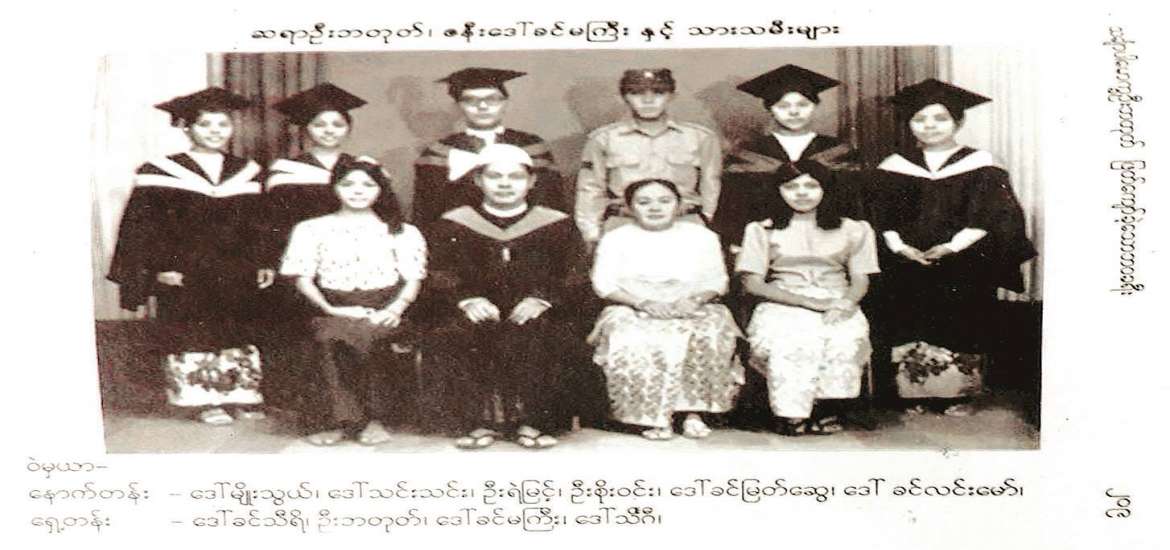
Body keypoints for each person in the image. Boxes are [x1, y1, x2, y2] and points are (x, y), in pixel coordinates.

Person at [872, 79, 1036, 416]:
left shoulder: (983, 164)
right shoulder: (893, 166)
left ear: (958, 122)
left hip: (966, 260)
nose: (929, 126)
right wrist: (901, 248)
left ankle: (959, 395)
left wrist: (951, 247)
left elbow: (995, 215)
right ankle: (913, 393)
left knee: (963, 319)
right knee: (910, 316)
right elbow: (880, 216)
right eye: (919, 119)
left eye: (940, 118)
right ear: (909, 124)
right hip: (907, 260)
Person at [107, 87, 269, 426]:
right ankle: (202, 400)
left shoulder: (248, 170)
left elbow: (259, 225)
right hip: (184, 270)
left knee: (236, 326)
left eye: (222, 124)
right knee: (193, 328)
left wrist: (264, 261)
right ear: (187, 127)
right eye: (205, 124)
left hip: (235, 269)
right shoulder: (160, 170)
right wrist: (160, 268)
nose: (215, 131)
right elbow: (143, 227)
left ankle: (239, 395)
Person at [426, 144, 584, 449]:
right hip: (474, 307)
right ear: (478, 180)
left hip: (539, 308)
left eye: (515, 176)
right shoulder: (454, 222)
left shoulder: (557, 223)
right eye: (495, 176)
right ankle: (478, 422)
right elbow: (439, 270)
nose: (505, 183)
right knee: (458, 334)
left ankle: (534, 421)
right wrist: (467, 299)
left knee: (542, 333)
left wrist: (542, 299)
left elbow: (574, 273)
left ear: (531, 181)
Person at [279, 157, 427, 446]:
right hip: (330, 305)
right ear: (335, 188)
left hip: (385, 305)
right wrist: (332, 308)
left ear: (380, 190)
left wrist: (395, 309)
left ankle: (374, 419)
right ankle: (336, 421)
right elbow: (303, 279)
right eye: (348, 184)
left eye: (368, 185)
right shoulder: (311, 228)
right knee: (329, 336)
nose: (358, 191)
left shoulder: (401, 231)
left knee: (372, 335)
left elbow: (413, 278)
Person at [588, 178, 743, 441]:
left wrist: (693, 301)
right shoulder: (615, 238)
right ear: (629, 207)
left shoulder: (702, 236)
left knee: (712, 328)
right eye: (644, 202)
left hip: (691, 304)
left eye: (664, 201)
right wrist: (644, 303)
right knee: (632, 336)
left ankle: (693, 413)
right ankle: (652, 416)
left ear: (679, 205)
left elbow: (718, 281)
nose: (655, 208)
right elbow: (603, 284)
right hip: (633, 306)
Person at [736, 161, 880, 435]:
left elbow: (861, 279)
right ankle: (791, 414)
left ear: (826, 189)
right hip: (781, 299)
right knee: (793, 339)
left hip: (837, 297)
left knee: (842, 337)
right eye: (791, 186)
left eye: (811, 185)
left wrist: (845, 303)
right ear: (779, 190)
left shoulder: (854, 229)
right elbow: (752, 283)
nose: (801, 193)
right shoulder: (761, 229)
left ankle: (826, 407)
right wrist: (808, 303)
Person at [714, 64, 859, 252]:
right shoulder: (748, 152)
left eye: (802, 105)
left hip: (827, 243)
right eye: (783, 106)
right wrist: (740, 245)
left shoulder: (837, 150)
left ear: (815, 105)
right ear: (770, 109)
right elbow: (733, 208)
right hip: (765, 244)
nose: (794, 112)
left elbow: (851, 204)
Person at [576, 69, 722, 247]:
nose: (648, 100)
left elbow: (711, 184)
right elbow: (590, 189)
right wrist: (591, 234)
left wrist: (703, 220)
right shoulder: (603, 139)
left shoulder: (700, 138)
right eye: (636, 93)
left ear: (672, 96)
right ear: (623, 97)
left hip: (684, 223)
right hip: (624, 224)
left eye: (658, 92)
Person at [413, 67, 567, 227]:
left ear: (505, 103)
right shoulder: (439, 151)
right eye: (470, 100)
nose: (482, 106)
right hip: (461, 233)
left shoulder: (531, 145)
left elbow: (551, 201)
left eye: (492, 99)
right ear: (458, 106)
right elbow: (427, 211)